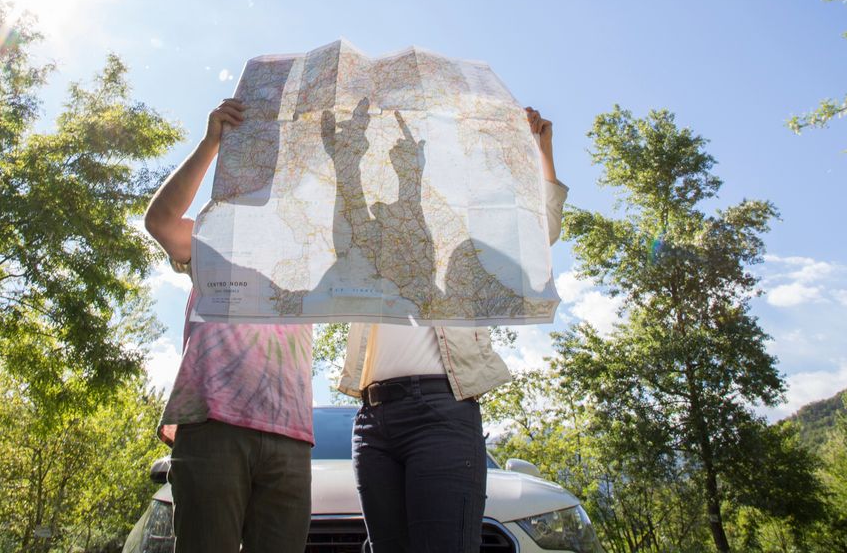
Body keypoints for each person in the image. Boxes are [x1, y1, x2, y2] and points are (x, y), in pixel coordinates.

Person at [338, 106, 568, 553]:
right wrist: (347, 156)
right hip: (372, 422)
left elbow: (542, 231)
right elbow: (342, 211)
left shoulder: (463, 251)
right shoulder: (370, 253)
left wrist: (541, 150)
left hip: (441, 413)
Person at [143, 98, 313, 553]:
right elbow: (159, 222)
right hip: (212, 421)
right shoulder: (215, 232)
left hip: (290, 435)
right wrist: (211, 142)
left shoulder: (308, 246)